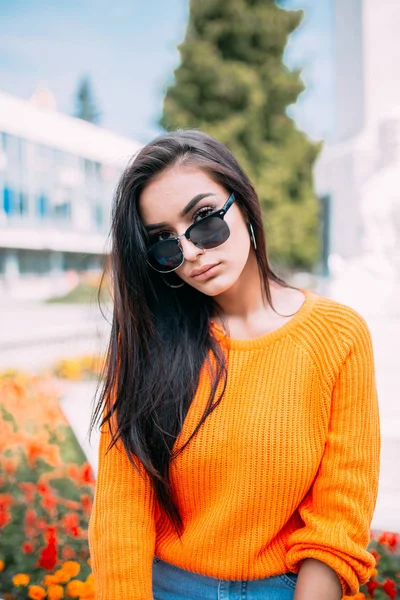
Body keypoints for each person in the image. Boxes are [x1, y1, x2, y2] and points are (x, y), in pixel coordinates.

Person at [88, 130, 380, 600]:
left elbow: (339, 513)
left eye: (203, 219)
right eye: (163, 241)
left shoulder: (338, 335)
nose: (190, 252)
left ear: (242, 203)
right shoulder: (147, 343)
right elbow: (122, 513)